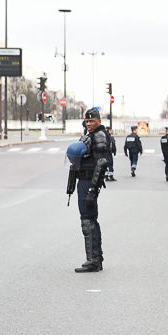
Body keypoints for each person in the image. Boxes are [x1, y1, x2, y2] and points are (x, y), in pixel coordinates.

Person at [71, 108, 109, 273]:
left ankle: (93, 260)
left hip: (89, 183)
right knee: (90, 219)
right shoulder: (91, 135)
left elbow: (101, 163)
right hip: (85, 181)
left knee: (88, 220)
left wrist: (93, 189)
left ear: (99, 121)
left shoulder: (99, 136)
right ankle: (96, 258)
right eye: (87, 121)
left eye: (92, 121)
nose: (89, 124)